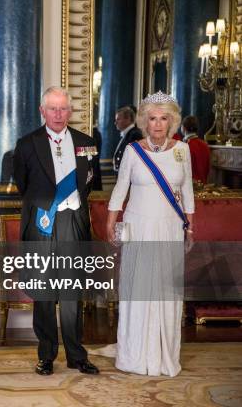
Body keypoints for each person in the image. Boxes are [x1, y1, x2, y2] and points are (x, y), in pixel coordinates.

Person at [13, 86, 99, 376]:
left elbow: (90, 183)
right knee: (45, 293)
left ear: (70, 111)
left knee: (73, 292)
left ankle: (77, 355)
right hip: (43, 224)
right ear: (42, 111)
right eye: (53, 108)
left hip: (73, 223)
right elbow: (23, 185)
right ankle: (46, 355)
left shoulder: (87, 143)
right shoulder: (26, 144)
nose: (59, 114)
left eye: (63, 108)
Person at [107, 91, 194, 377]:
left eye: (163, 119)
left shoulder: (183, 150)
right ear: (144, 121)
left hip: (170, 226)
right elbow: (120, 189)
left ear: (172, 122)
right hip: (139, 226)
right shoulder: (134, 151)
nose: (157, 124)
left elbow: (188, 192)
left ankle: (163, 354)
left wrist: (189, 226)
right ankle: (134, 354)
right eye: (152, 119)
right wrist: (111, 222)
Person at [113, 106, 143, 174]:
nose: (115, 123)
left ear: (128, 119)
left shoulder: (135, 135)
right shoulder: (128, 134)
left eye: (118, 119)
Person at [181, 115, 210, 183]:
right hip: (203, 185)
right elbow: (207, 168)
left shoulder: (185, 146)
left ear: (184, 128)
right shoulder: (205, 144)